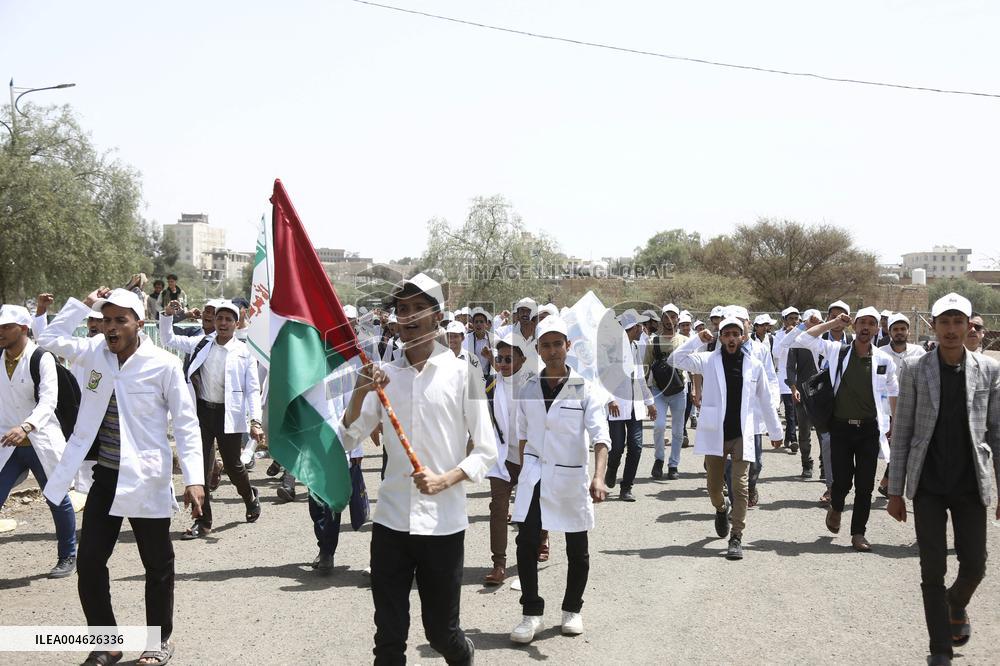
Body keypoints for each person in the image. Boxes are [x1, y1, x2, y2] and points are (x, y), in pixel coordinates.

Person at [38, 287, 204, 666]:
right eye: (105, 320)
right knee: (91, 562)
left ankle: (157, 641)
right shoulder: (94, 352)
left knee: (157, 566)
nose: (110, 328)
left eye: (119, 321)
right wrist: (81, 303)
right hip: (106, 477)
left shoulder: (163, 364)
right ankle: (107, 643)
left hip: (147, 478)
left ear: (138, 324)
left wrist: (194, 478)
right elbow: (47, 338)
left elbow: (186, 423)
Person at [340, 272, 496, 665]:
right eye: (402, 310)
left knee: (441, 633)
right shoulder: (385, 376)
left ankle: (463, 653)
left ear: (437, 315)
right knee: (388, 638)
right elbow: (347, 438)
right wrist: (360, 390)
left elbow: (487, 449)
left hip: (444, 525)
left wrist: (448, 478)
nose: (408, 317)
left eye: (417, 309)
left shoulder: (466, 374)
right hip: (391, 521)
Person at [887, 292, 1000, 666]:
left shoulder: (988, 370)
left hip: (970, 483)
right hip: (929, 486)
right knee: (931, 566)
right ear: (933, 326)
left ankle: (957, 602)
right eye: (944, 322)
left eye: (958, 322)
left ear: (970, 326)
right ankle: (940, 648)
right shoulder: (917, 370)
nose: (952, 330)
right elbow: (902, 432)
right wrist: (896, 491)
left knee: (976, 565)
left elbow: (996, 433)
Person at [509, 315, 611, 643]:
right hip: (536, 474)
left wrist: (598, 477)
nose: (552, 351)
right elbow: (523, 436)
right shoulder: (526, 388)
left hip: (571, 476)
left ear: (568, 346)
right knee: (526, 544)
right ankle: (531, 613)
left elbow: (600, 437)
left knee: (576, 548)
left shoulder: (585, 388)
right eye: (546, 345)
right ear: (537, 349)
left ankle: (572, 609)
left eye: (558, 344)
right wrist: (523, 478)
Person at [669, 317, 783, 560]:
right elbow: (675, 359)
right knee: (713, 487)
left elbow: (765, 400)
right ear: (721, 337)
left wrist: (775, 432)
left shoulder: (754, 365)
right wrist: (697, 340)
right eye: (727, 334)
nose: (731, 338)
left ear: (743, 337)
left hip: (742, 433)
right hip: (716, 433)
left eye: (735, 334)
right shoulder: (709, 361)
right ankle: (721, 509)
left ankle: (736, 536)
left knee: (740, 486)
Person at [788, 306, 898, 552]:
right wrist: (833, 322)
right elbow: (803, 338)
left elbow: (893, 391)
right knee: (842, 481)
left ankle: (858, 533)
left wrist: (895, 422)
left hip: (869, 431)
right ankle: (836, 506)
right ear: (854, 326)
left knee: (865, 485)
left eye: (871, 323)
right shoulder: (838, 351)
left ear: (877, 329)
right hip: (840, 428)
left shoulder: (883, 360)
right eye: (862, 322)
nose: (866, 327)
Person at [161, 299, 263, 540]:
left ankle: (249, 496)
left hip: (229, 416)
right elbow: (168, 339)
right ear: (214, 321)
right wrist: (166, 315)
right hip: (202, 414)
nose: (223, 323)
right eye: (220, 319)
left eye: (229, 319)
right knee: (201, 469)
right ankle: (202, 521)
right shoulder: (202, 343)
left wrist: (255, 421)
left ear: (237, 324)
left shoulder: (245, 352)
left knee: (233, 466)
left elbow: (252, 389)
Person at [0, 304, 77, 579]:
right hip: (7, 445)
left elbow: (49, 401)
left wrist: (26, 426)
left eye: (6, 327)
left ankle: (68, 555)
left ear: (23, 329)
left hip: (39, 441)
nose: (1, 332)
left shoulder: (40, 358)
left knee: (56, 497)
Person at [482, 332, 534, 586]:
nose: (502, 363)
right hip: (502, 457)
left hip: (530, 457)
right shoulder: (490, 386)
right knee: (498, 508)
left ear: (522, 359)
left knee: (532, 508)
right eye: (499, 358)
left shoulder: (534, 385)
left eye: (508, 358)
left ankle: (542, 537)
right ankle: (499, 564)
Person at [604, 310, 655, 502]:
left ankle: (626, 487)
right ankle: (611, 469)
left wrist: (649, 402)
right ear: (632, 328)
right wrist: (611, 399)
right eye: (640, 325)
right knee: (616, 448)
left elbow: (640, 376)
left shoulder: (635, 346)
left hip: (635, 406)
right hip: (617, 405)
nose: (643, 328)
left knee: (636, 447)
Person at [644, 313, 687, 480]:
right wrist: (646, 394)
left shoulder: (684, 340)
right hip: (658, 390)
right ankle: (659, 459)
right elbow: (645, 367)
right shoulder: (652, 342)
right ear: (661, 320)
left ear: (677, 320)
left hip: (678, 390)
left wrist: (695, 390)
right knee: (659, 425)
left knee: (677, 430)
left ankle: (673, 464)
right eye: (666, 316)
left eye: (673, 316)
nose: (670, 320)